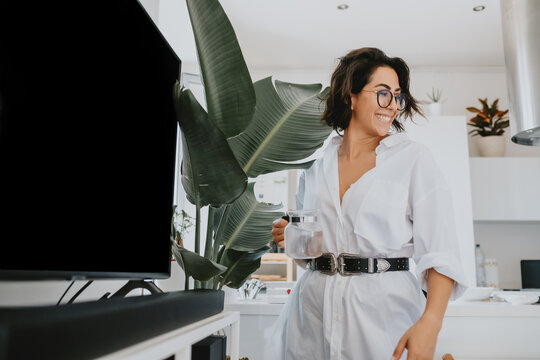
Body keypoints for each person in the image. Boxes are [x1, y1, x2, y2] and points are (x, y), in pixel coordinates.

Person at [269, 47, 468, 360]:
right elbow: (311, 257)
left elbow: (440, 252)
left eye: (398, 96)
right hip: (310, 315)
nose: (392, 105)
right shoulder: (315, 167)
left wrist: (430, 324)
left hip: (383, 318)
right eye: (383, 93)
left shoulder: (413, 160)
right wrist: (292, 238)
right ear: (351, 96)